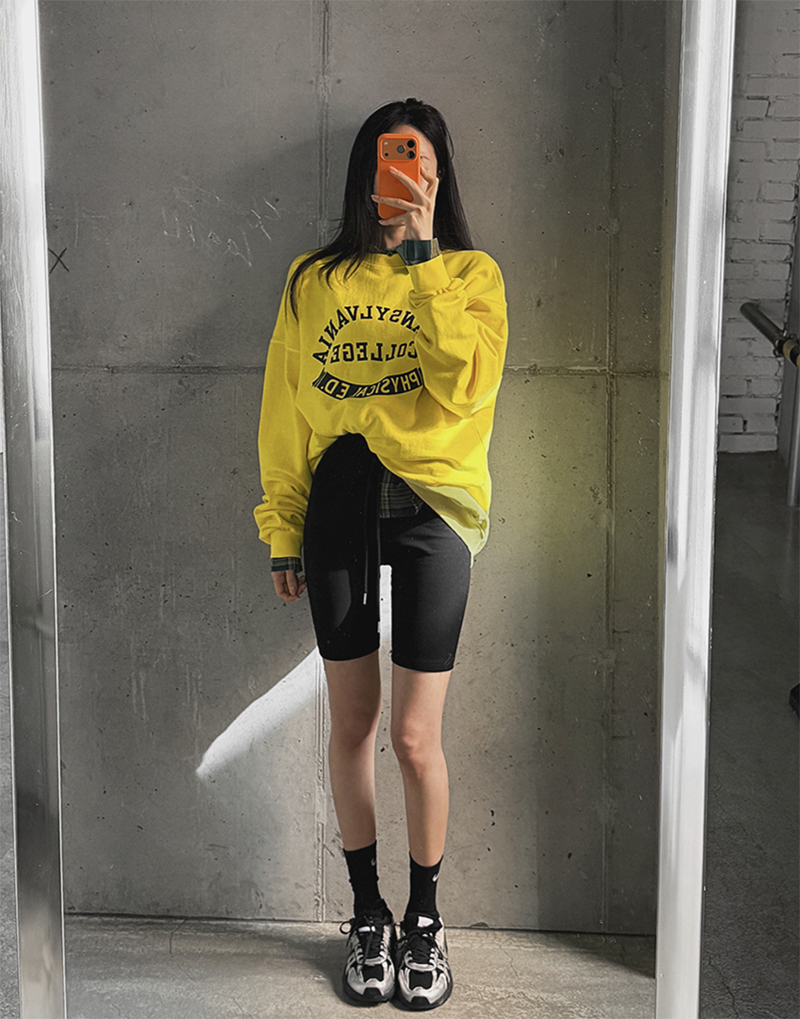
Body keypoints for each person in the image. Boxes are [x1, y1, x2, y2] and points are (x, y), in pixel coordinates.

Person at [254, 98, 508, 1009]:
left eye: (422, 162)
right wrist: (281, 525)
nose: (407, 174)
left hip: (436, 509)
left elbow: (466, 385)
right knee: (355, 723)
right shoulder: (313, 279)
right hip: (339, 500)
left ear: (439, 176)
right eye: (394, 160)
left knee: (414, 735)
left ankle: (425, 920)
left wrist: (423, 255)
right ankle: (367, 913)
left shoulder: (471, 274)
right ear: (368, 172)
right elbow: (285, 407)